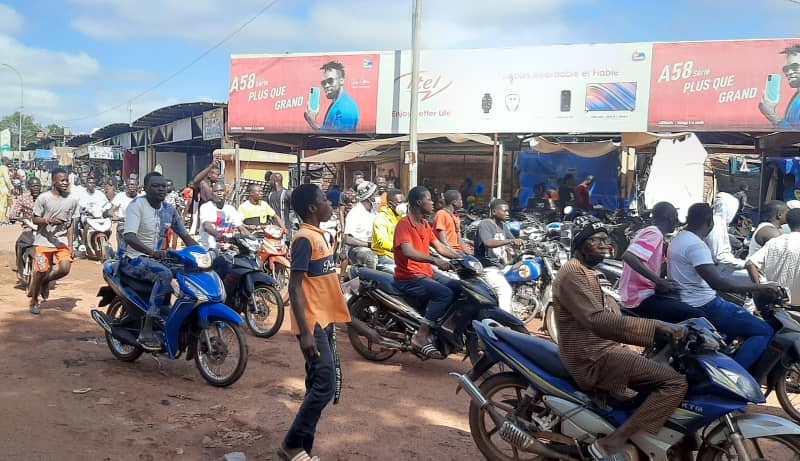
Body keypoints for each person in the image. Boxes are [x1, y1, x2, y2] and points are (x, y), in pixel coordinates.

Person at [554, 214, 688, 460]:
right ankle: (611, 443)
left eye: (608, 241)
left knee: (659, 366)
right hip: (593, 357)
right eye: (598, 240)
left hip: (604, 349)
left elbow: (613, 313)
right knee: (674, 383)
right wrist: (657, 326)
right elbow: (597, 320)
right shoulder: (573, 273)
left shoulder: (589, 272)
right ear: (581, 244)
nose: (606, 245)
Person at [278, 183, 350, 461]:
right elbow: (295, 287)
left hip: (325, 321)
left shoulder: (320, 236)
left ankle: (303, 450)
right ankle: (291, 445)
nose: (330, 204)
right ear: (312, 208)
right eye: (325, 200)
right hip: (313, 324)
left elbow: (325, 285)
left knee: (315, 383)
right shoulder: (304, 239)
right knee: (325, 384)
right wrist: (306, 332)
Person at [669, 203, 779, 369]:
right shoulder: (696, 245)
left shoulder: (679, 238)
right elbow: (718, 283)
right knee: (763, 331)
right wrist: (758, 287)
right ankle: (735, 378)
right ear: (709, 221)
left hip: (687, 300)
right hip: (705, 304)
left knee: (736, 321)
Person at [120, 172, 198, 350]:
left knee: (190, 270)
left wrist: (204, 252)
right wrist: (152, 252)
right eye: (156, 186)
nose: (161, 189)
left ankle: (176, 317)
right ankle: (148, 326)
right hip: (133, 259)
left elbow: (185, 235)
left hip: (157, 259)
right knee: (164, 274)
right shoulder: (136, 205)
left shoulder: (169, 209)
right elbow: (130, 236)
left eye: (163, 185)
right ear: (145, 188)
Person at [394, 186, 463, 358]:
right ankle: (421, 335)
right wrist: (434, 260)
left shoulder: (425, 224)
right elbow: (408, 251)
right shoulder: (404, 224)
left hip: (426, 273)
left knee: (459, 287)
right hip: (409, 277)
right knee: (444, 294)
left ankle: (442, 327)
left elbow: (440, 246)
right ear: (419, 202)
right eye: (429, 199)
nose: (433, 202)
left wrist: (461, 258)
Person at [620, 202, 705, 322]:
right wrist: (659, 281)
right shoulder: (655, 233)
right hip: (639, 298)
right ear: (670, 218)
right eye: (676, 218)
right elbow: (629, 257)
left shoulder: (649, 232)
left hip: (637, 294)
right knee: (697, 315)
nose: (677, 222)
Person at [29, 168, 80, 314]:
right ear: (54, 182)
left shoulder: (72, 200)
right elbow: (34, 219)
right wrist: (47, 220)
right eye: (62, 180)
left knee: (65, 268)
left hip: (62, 241)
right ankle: (33, 301)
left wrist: (71, 245)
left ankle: (46, 281)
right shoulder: (43, 198)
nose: (65, 183)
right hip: (43, 241)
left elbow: (71, 224)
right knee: (40, 271)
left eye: (66, 180)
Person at [474, 199, 523, 313]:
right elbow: (488, 242)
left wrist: (519, 244)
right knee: (505, 290)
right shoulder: (485, 224)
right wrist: (510, 241)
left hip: (500, 266)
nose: (507, 213)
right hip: (487, 267)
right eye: (504, 211)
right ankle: (505, 322)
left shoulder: (502, 226)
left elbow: (512, 241)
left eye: (508, 211)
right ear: (494, 211)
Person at [747, 208, 800, 307]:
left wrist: (760, 289)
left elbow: (750, 263)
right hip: (795, 310)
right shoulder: (773, 237)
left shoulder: (775, 241)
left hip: (775, 305)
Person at [704, 192, 750, 283]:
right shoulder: (716, 225)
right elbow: (719, 257)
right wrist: (744, 264)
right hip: (716, 270)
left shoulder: (719, 223)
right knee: (755, 278)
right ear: (729, 209)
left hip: (718, 267)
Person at [304, 61, 361, 132]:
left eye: (330, 81)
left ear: (341, 81)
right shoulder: (337, 103)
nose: (326, 85)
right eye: (323, 83)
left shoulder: (346, 106)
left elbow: (336, 137)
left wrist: (312, 122)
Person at [10, 176, 42, 282]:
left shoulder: (46, 198)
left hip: (44, 228)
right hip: (28, 227)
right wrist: (14, 217)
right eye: (33, 186)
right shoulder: (23, 198)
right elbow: (14, 211)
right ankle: (20, 268)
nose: (36, 188)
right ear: (29, 187)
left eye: (38, 186)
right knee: (19, 244)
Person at [760, 44, 800, 128]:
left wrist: (773, 116)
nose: (789, 72)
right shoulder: (797, 96)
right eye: (786, 69)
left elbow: (795, 136)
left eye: (794, 67)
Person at [199, 182, 245, 249]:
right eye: (215, 191)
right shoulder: (206, 207)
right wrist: (221, 237)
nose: (219, 193)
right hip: (209, 248)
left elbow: (241, 228)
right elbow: (207, 226)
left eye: (221, 191)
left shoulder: (230, 209)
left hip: (228, 248)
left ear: (226, 193)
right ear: (212, 194)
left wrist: (252, 238)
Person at [344, 181, 378, 268]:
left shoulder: (375, 210)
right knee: (370, 258)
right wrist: (368, 244)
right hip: (358, 248)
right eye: (375, 194)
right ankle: (369, 281)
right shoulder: (355, 213)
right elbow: (348, 239)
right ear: (369, 197)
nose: (377, 196)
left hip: (376, 246)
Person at [371, 188, 404, 271]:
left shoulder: (402, 217)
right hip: (384, 256)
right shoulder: (381, 218)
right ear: (390, 204)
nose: (403, 205)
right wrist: (400, 249)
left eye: (404, 202)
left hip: (401, 255)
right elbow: (383, 242)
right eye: (400, 203)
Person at [111, 178, 139, 248]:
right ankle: (121, 254)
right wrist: (114, 216)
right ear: (126, 186)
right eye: (128, 185)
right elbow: (111, 210)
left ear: (137, 186)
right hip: (123, 224)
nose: (130, 186)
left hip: (139, 225)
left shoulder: (141, 198)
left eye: (133, 185)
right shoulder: (120, 196)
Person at [269, 173, 293, 238]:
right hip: (273, 230)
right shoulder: (270, 195)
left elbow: (294, 211)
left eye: (270, 180)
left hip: (286, 229)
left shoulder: (287, 193)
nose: (269, 182)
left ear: (275, 180)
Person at [0, 159, 13, 223]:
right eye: (7, 160)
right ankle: (2, 219)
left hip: (1, 189)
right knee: (5, 205)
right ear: (5, 161)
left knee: (5, 204)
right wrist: (11, 187)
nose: (9, 162)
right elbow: (7, 179)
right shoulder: (5, 168)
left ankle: (5, 218)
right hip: (5, 189)